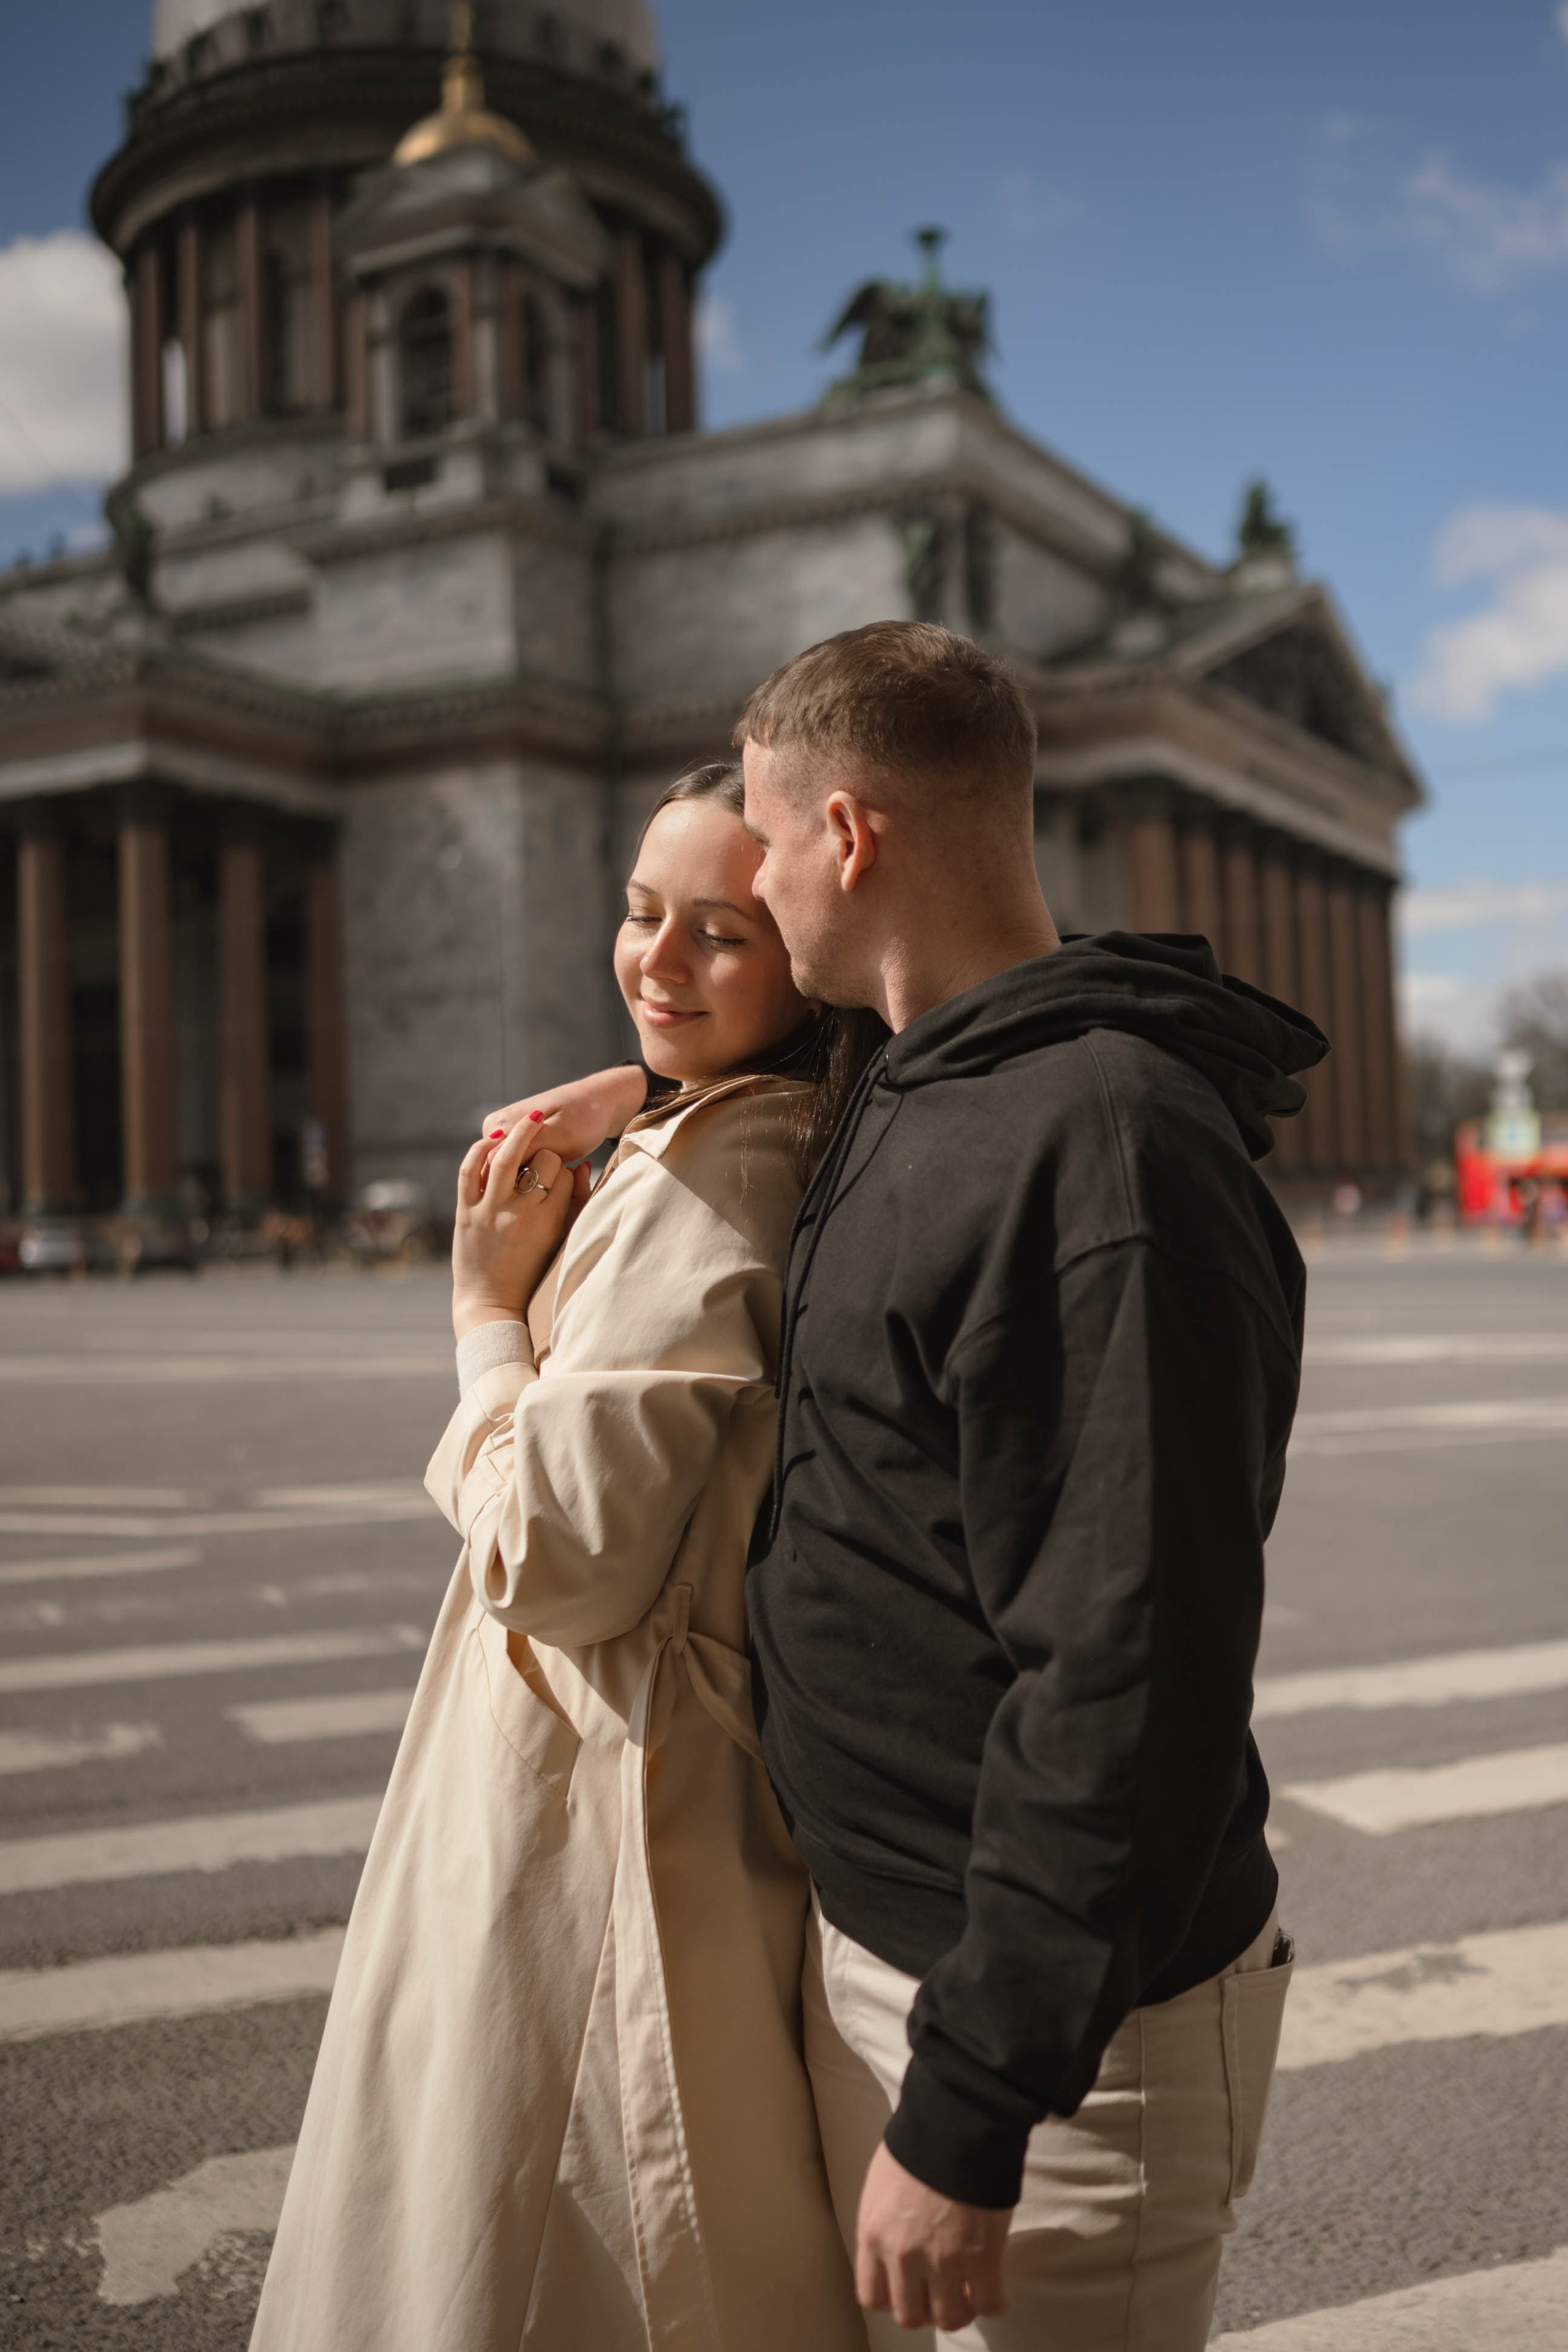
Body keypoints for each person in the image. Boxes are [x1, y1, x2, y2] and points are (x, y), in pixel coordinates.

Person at [488, 622, 1327, 2350]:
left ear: (851, 839)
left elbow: (1128, 1675)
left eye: (769, 856)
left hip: (1058, 2051)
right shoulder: (926, 1070)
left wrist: (973, 2106)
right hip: (894, 1966)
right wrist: (642, 1085)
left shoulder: (1103, 1151)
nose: (754, 900)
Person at [251, 764, 880, 2352]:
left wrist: (483, 1320)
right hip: (649, 1781)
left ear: (806, 936)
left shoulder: (716, 1178)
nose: (656, 961)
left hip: (597, 1794)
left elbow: (555, 1555)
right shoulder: (767, 1132)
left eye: (720, 933)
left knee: (538, 2243)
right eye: (639, 910)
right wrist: (627, 1097)